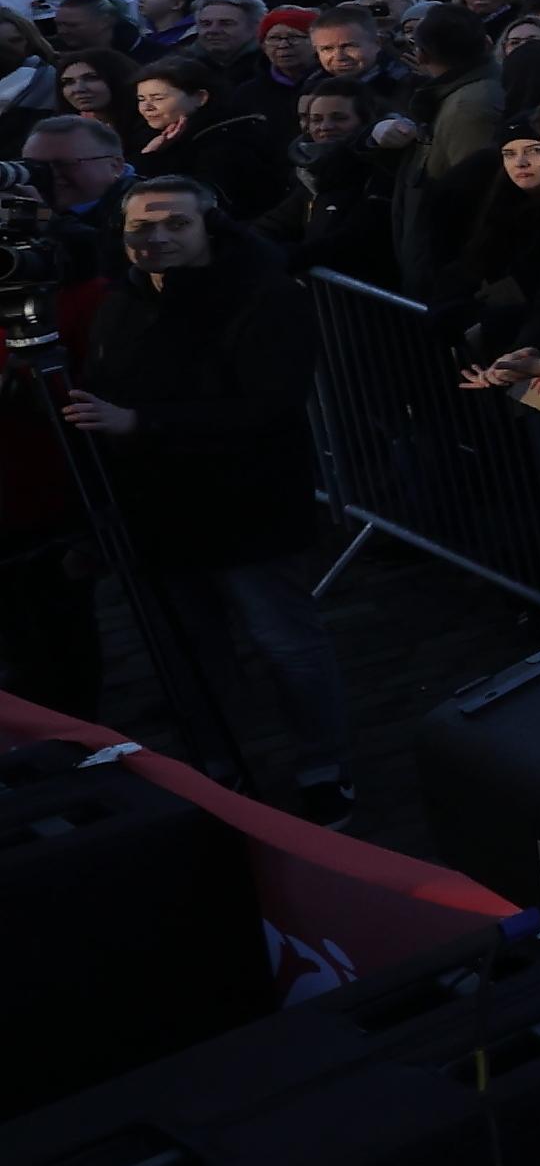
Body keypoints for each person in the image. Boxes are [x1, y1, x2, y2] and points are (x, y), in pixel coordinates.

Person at [67, 176, 343, 815]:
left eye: (174, 224)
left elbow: (269, 406)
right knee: (191, 648)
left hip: (249, 505)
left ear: (208, 226)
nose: (155, 237)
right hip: (157, 512)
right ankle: (221, 764)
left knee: (284, 644)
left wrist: (143, 423)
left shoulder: (265, 296)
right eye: (140, 226)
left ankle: (324, 763)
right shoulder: (122, 300)